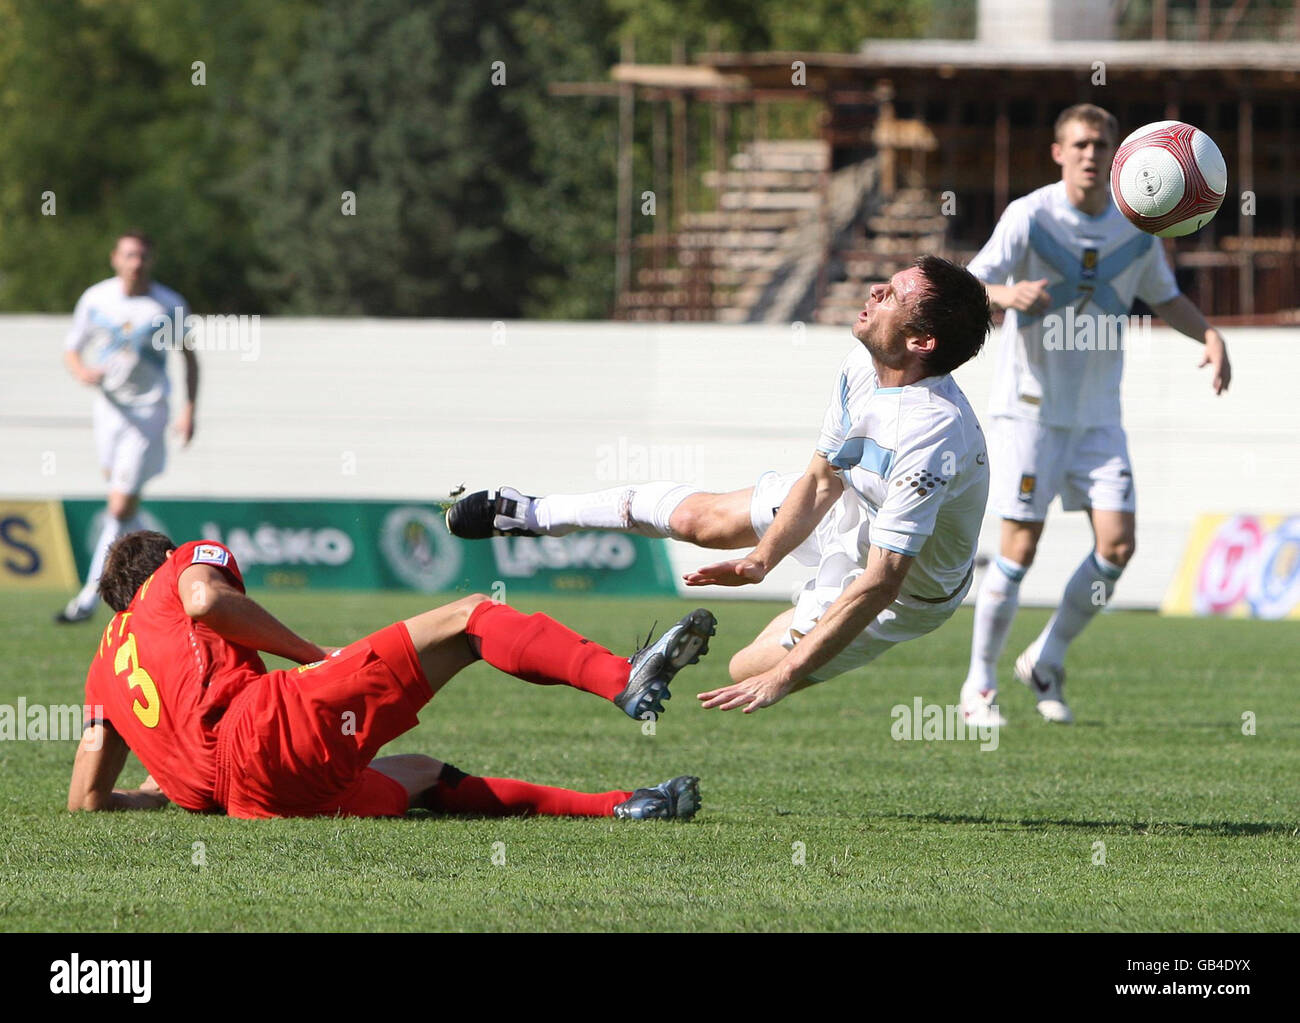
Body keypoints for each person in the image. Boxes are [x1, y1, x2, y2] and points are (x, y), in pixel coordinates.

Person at [447, 255, 992, 713]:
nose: (875, 289)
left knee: (748, 667)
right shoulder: (860, 363)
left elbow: (881, 582)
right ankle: (531, 512)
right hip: (852, 505)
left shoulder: (933, 432)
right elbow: (822, 480)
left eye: (893, 294)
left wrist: (784, 676)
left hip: (909, 590)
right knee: (699, 522)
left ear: (921, 340)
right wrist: (761, 561)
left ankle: (705, 657)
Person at [68, 530, 713, 820]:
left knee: (425, 773)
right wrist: (308, 652)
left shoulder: (104, 667)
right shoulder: (176, 572)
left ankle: (625, 807)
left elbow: (86, 802)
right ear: (160, 568)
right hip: (267, 729)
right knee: (470, 617)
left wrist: (159, 792)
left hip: (253, 804)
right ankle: (620, 677)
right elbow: (207, 601)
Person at [957, 103, 1232, 725]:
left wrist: (1209, 335)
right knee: (1019, 550)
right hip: (1029, 413)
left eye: (1101, 144)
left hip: (1098, 417)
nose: (1091, 153)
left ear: (1120, 153)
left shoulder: (1137, 226)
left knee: (1118, 544)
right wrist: (1007, 294)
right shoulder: (1029, 216)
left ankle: (1046, 657)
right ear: (1058, 152)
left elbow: (1165, 297)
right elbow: (969, 283)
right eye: (1079, 144)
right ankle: (978, 686)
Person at [57, 231, 199, 624]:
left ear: (151, 261)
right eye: (129, 255)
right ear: (115, 259)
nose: (136, 263)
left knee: (118, 505)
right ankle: (162, 568)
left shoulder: (168, 305)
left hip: (149, 411)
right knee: (124, 505)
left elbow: (189, 358)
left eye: (143, 256)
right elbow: (71, 348)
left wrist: (188, 409)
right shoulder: (96, 298)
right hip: (109, 411)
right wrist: (82, 370)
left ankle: (87, 598)